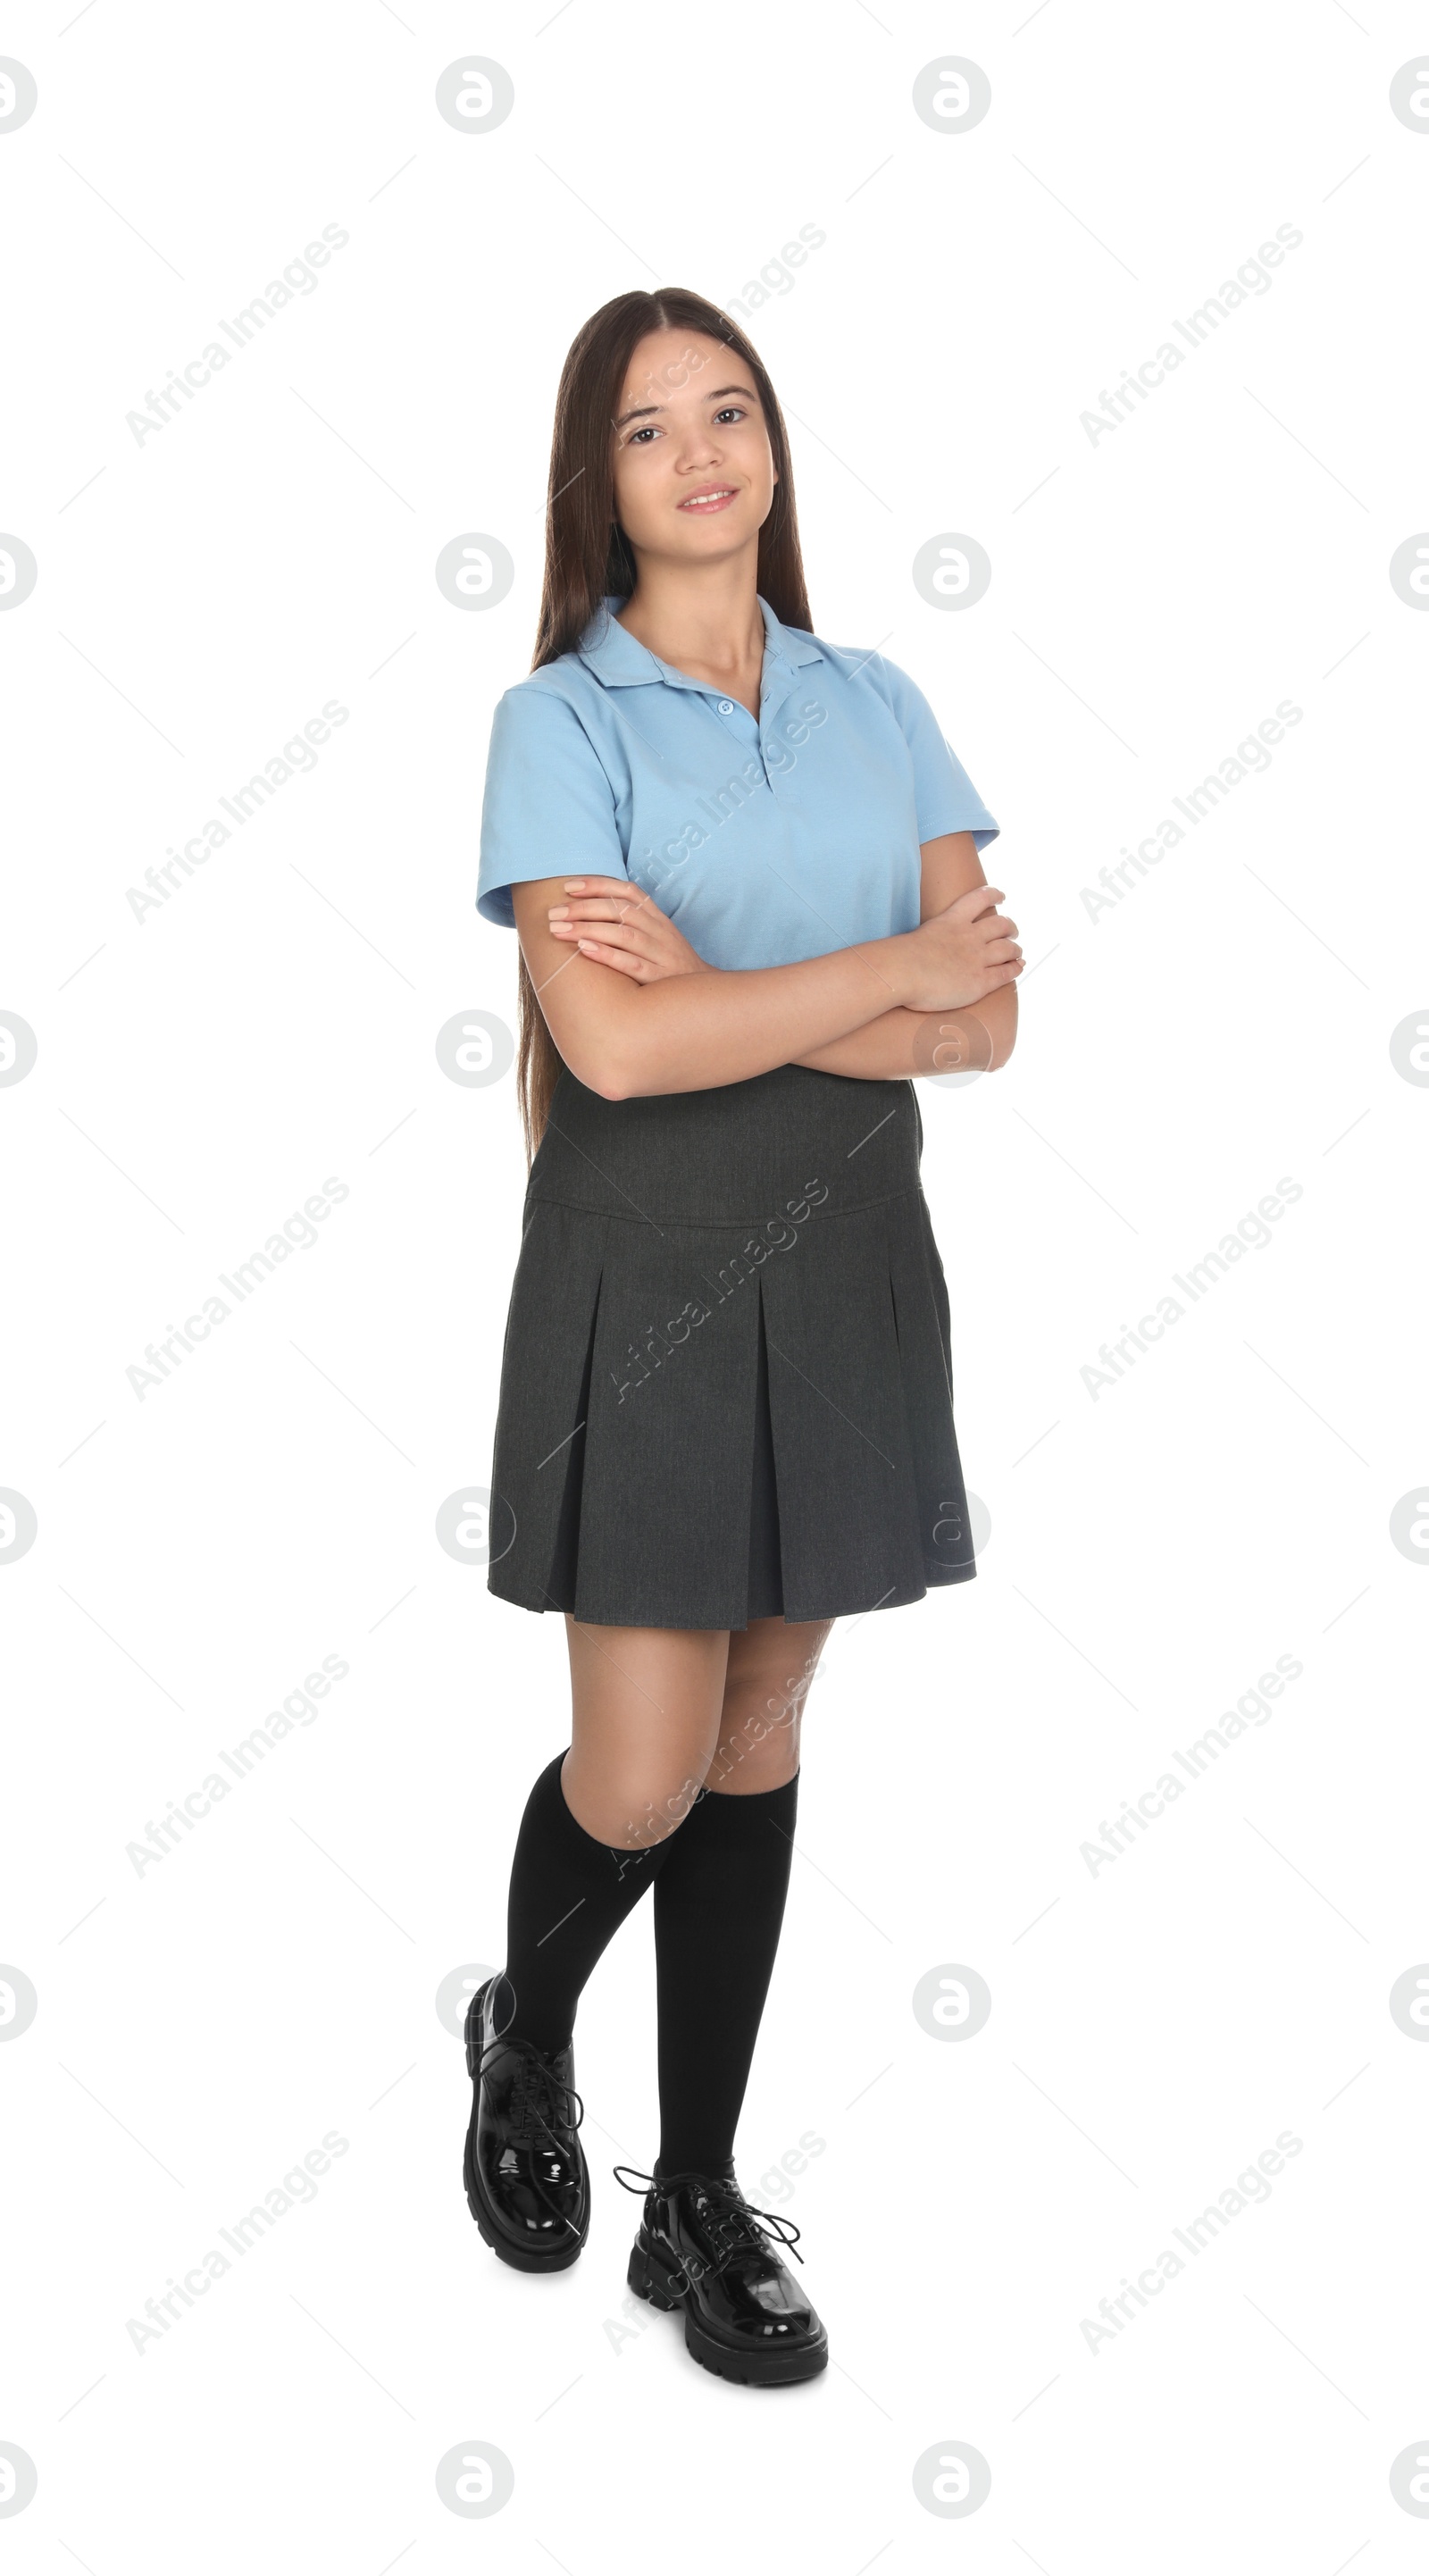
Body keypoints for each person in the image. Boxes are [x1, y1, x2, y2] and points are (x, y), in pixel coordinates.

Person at [464, 287, 1022, 2388]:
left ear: (772, 447)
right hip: (644, 1262)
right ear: (592, 484)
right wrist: (870, 973)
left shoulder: (879, 697)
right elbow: (608, 1047)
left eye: (728, 410)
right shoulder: (562, 718)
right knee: (638, 1774)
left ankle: (689, 2198)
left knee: (762, 1736)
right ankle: (525, 2032)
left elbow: (991, 1024)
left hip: (848, 1258)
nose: (697, 450)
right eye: (642, 427)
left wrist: (740, 983)